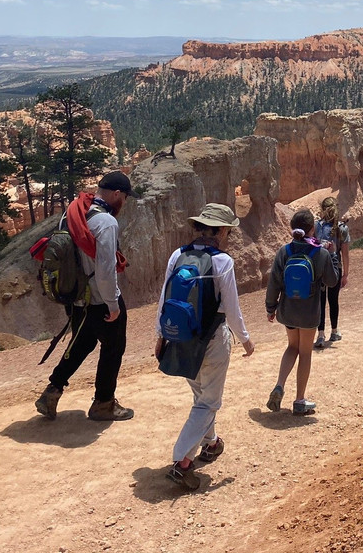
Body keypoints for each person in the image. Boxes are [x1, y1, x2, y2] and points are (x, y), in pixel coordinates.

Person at [156, 203, 255, 490]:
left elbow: (164, 299)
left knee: (201, 395)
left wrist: (160, 336)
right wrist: (246, 340)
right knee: (208, 402)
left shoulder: (178, 255)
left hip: (180, 336)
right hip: (212, 340)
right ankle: (182, 462)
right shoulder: (223, 261)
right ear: (221, 231)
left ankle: (211, 443)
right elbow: (232, 308)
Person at [35, 170, 136, 422]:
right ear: (116, 194)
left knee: (83, 342)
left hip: (77, 296)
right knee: (113, 348)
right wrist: (113, 304)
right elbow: (106, 269)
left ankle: (52, 391)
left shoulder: (73, 212)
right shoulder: (106, 222)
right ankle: (104, 403)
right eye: (125, 197)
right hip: (100, 299)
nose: (124, 202)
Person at [265, 208, 338, 415]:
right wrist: (333, 255)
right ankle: (299, 401)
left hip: (288, 310)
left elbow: (274, 282)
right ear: (312, 228)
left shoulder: (284, 251)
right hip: (309, 313)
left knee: (292, 347)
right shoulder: (321, 253)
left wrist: (271, 307)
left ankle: (279, 385)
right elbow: (332, 281)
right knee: (305, 352)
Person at [313, 196, 350, 349]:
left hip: (319, 269)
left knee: (320, 301)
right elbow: (345, 254)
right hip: (335, 267)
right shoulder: (342, 228)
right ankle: (334, 332)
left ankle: (320, 335)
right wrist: (345, 274)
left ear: (323, 210)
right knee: (333, 300)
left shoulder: (316, 226)